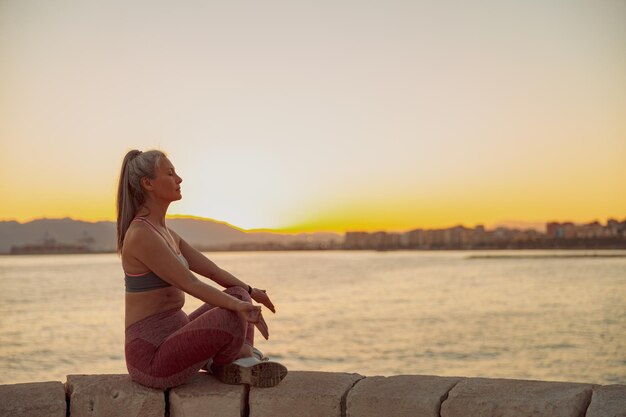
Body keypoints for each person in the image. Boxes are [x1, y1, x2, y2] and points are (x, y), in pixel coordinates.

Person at [116, 149, 287, 389]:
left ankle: (237, 360)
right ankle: (239, 360)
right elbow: (191, 283)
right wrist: (240, 308)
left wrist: (250, 292)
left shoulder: (166, 233)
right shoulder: (140, 235)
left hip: (176, 337)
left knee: (237, 292)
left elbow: (212, 271)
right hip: (152, 360)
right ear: (148, 183)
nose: (179, 179)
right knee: (232, 312)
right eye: (170, 173)